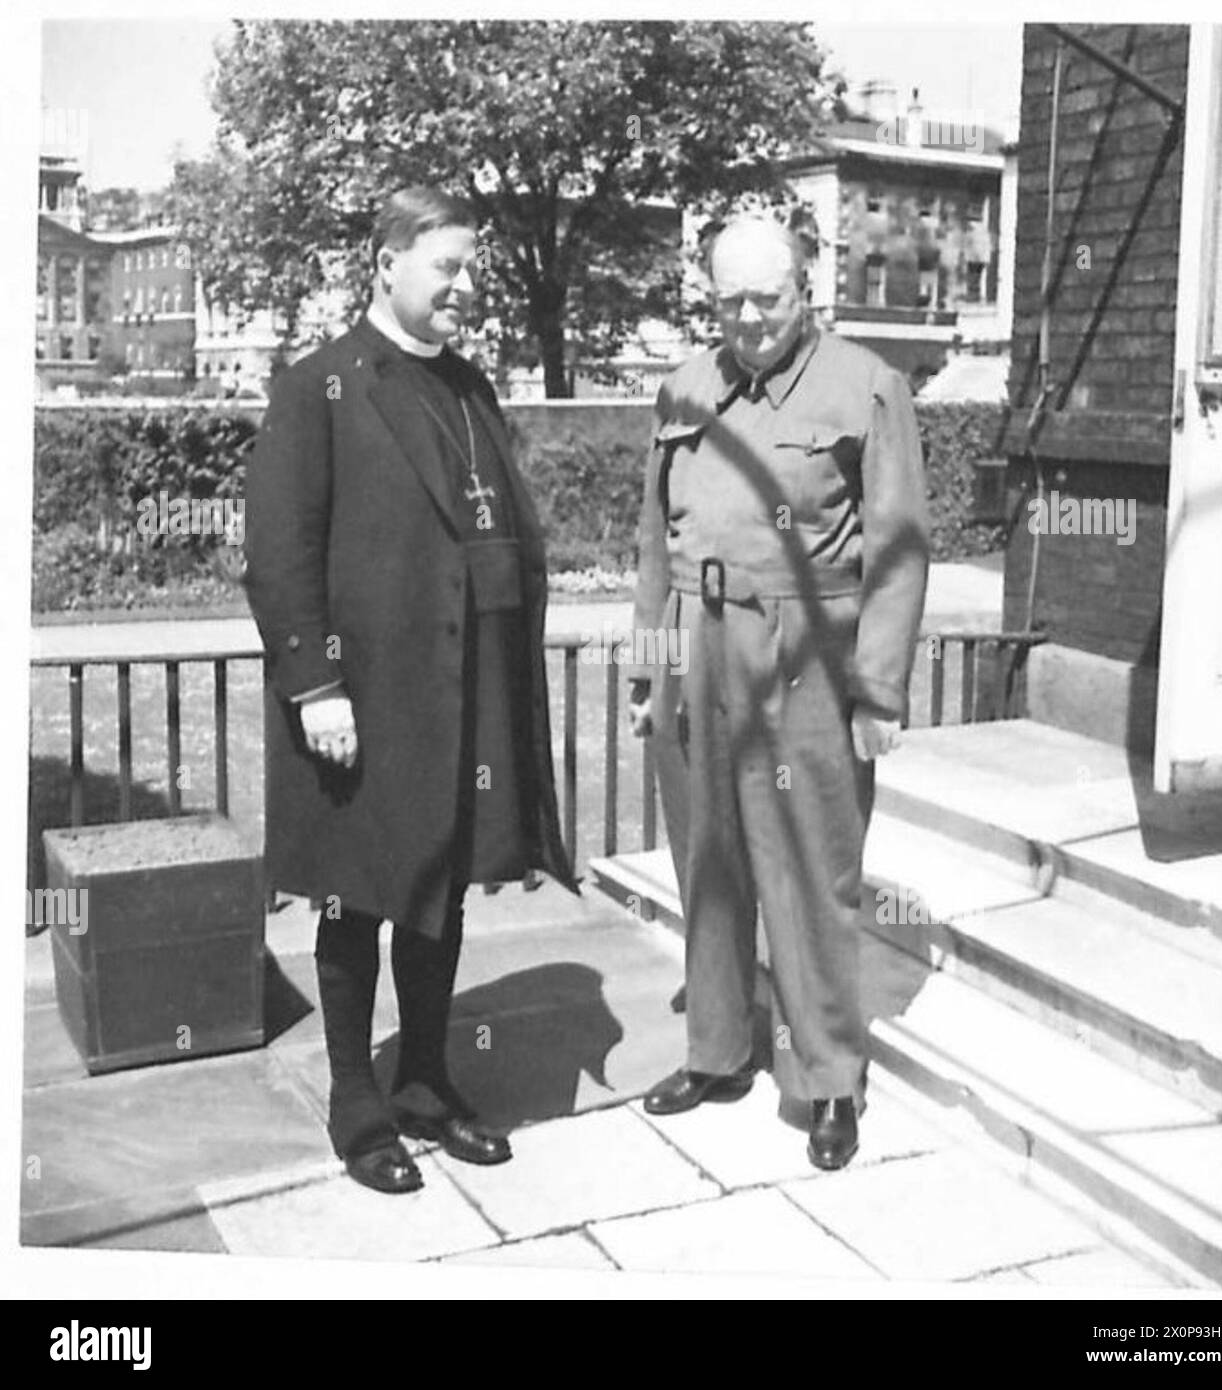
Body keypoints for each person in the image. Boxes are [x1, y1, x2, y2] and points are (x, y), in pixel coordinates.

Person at [244, 186, 574, 1195]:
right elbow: (278, 552)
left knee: (442, 891)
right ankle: (358, 1102)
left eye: (471, 268)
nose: (466, 287)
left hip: (464, 691)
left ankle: (426, 1082)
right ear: (385, 263)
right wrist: (315, 686)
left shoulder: (470, 388)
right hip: (364, 696)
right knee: (356, 897)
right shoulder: (320, 386)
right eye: (448, 267)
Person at [630, 213, 929, 1170]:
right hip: (697, 643)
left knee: (810, 869)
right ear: (708, 298)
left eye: (768, 296)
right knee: (707, 859)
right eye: (730, 300)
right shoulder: (684, 387)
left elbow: (897, 550)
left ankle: (827, 1080)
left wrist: (876, 692)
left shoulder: (866, 385)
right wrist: (650, 670)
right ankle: (717, 1050)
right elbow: (651, 544)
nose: (750, 317)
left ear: (807, 287)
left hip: (806, 650)